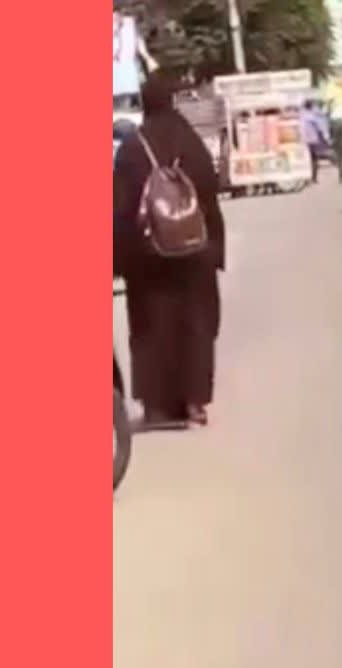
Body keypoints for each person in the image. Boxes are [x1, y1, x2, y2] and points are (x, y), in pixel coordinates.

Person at [113, 77, 225, 429]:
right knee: (196, 324)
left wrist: (118, 258)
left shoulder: (133, 148)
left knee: (150, 328)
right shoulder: (190, 142)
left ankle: (157, 405)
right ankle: (194, 401)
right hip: (194, 252)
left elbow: (119, 206)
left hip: (147, 259)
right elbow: (210, 192)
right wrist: (216, 249)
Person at [301, 100, 330, 184]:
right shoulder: (312, 116)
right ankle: (314, 178)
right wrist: (325, 137)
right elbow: (320, 128)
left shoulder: (302, 115)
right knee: (314, 160)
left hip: (304, 141)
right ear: (311, 106)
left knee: (307, 160)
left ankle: (308, 177)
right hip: (313, 141)